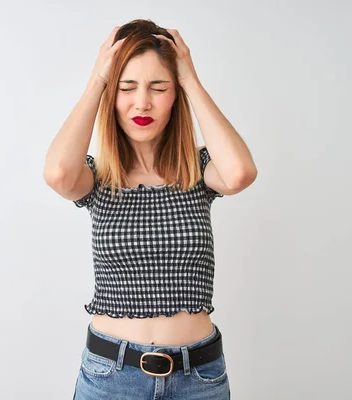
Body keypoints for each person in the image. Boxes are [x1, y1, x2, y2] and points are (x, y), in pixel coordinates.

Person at [44, 19, 257, 400]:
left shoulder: (199, 171)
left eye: (158, 87)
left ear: (175, 95)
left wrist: (190, 79)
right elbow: (58, 173)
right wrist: (97, 80)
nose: (142, 102)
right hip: (111, 378)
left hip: (199, 380)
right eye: (126, 88)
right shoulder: (97, 178)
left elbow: (240, 173)